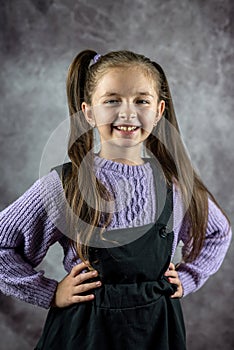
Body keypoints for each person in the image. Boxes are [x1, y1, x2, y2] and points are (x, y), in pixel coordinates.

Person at [0, 49, 232, 350]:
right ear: (89, 112)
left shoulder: (175, 187)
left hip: (157, 333)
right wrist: (50, 293)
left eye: (141, 101)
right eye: (112, 100)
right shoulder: (65, 185)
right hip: (83, 335)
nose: (127, 113)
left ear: (159, 110)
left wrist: (188, 278)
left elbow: (218, 233)